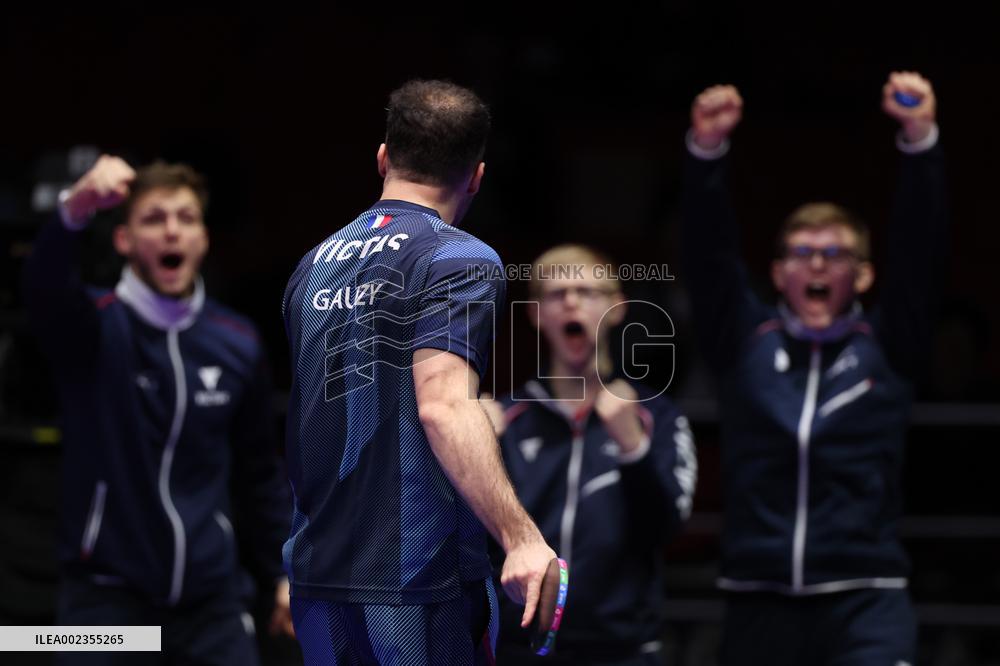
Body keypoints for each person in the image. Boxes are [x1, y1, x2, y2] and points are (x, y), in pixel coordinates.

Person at [281, 79, 555, 665]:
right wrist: (521, 537)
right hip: (415, 584)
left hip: (315, 578)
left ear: (383, 157)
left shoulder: (313, 265)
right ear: (477, 175)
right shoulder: (459, 257)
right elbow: (443, 404)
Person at [681, 72, 946, 665]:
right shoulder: (746, 342)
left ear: (865, 274)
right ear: (778, 274)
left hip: (866, 598)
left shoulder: (889, 345)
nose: (817, 265)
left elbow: (921, 252)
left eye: (835, 254)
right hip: (758, 597)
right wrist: (705, 154)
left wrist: (920, 140)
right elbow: (709, 257)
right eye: (802, 253)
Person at [22, 156, 294, 664]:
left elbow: (259, 473)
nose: (172, 231)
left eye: (186, 219)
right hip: (106, 606)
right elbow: (41, 286)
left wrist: (282, 572)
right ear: (124, 240)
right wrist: (76, 206)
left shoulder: (237, 342)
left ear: (204, 239)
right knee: (19, 641)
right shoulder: (93, 329)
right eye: (154, 219)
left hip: (212, 606)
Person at [482, 244, 697, 665]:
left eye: (587, 290)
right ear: (537, 314)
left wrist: (633, 446)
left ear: (616, 308)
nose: (572, 302)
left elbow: (666, 529)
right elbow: (462, 537)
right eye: (555, 294)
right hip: (517, 648)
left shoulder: (658, 416)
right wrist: (476, 446)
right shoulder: (506, 419)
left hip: (623, 650)